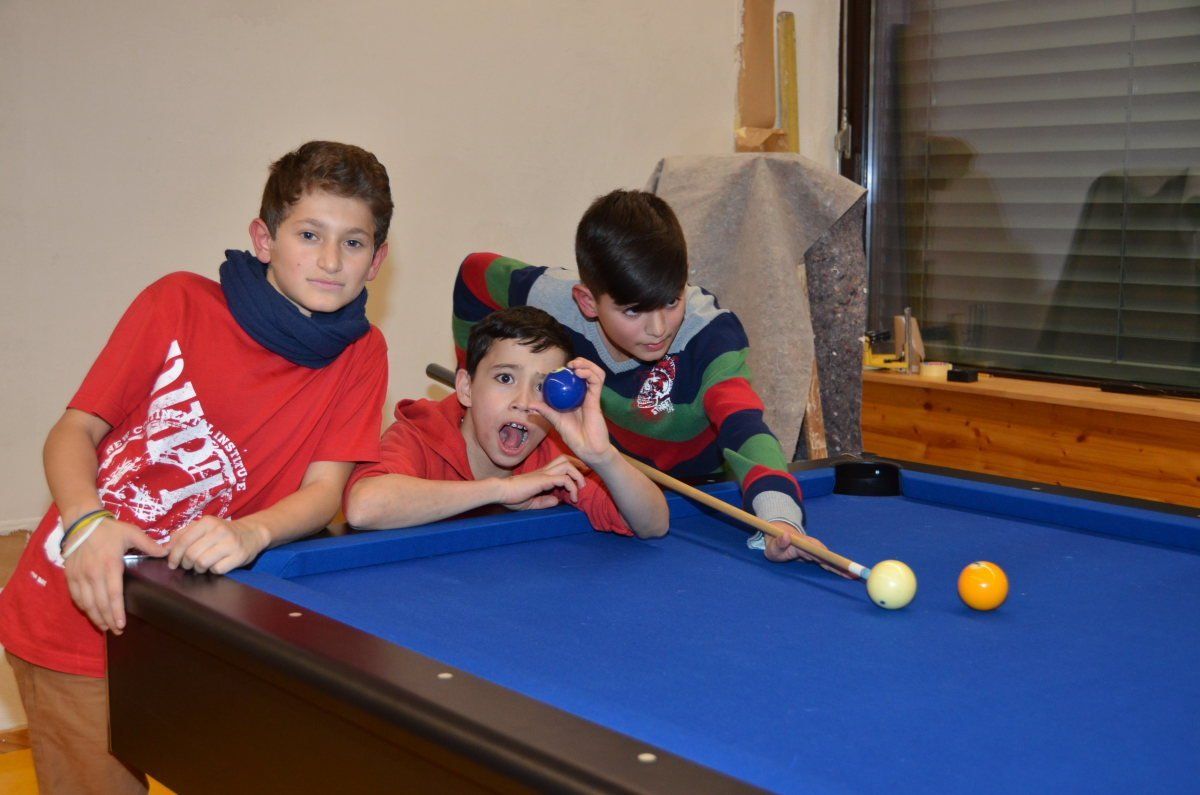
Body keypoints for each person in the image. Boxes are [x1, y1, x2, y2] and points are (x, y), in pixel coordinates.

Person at [0, 140, 394, 794]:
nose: (331, 260)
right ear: (263, 239)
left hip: (198, 621)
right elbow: (73, 431)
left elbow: (325, 490)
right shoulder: (178, 301)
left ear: (377, 260)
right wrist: (86, 522)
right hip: (77, 613)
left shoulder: (363, 353)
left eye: (353, 243)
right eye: (309, 234)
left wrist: (251, 531)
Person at [452, 189, 840, 569]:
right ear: (588, 302)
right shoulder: (553, 300)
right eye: (633, 311)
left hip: (698, 491)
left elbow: (745, 429)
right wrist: (478, 392)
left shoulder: (710, 338)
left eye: (671, 301)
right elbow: (474, 276)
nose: (658, 329)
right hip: (616, 486)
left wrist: (781, 519)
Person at [345, 306, 668, 539]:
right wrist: (502, 490)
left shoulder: (554, 456)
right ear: (466, 388)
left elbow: (653, 525)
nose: (524, 401)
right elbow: (364, 507)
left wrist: (603, 457)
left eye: (541, 386)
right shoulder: (419, 434)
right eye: (505, 378)